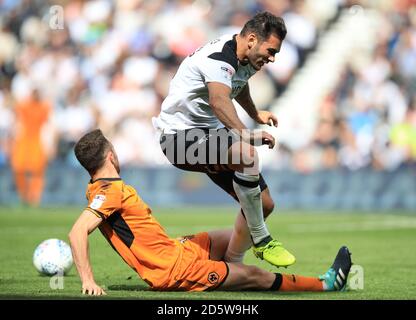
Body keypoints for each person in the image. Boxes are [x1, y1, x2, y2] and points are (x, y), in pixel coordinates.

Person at [69, 129, 352, 295]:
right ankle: (325, 284)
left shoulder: (98, 187)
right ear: (111, 156)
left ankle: (231, 265)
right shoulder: (109, 192)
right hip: (172, 270)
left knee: (235, 237)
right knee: (255, 275)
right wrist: (88, 281)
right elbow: (78, 231)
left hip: (175, 250)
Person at [152, 11, 294, 267]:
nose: (272, 59)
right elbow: (219, 100)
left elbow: (238, 84)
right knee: (247, 155)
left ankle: (231, 265)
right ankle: (262, 240)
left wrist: (254, 113)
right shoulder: (219, 58)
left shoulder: (244, 56)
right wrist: (246, 134)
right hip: (178, 139)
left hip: (207, 136)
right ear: (252, 39)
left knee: (264, 204)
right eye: (271, 51)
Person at [11, 88, 51, 206]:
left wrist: (48, 143)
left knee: (37, 171)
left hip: (37, 140)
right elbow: (16, 113)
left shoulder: (44, 107)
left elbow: (48, 125)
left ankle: (34, 198)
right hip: (24, 140)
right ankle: (24, 195)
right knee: (18, 168)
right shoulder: (25, 105)